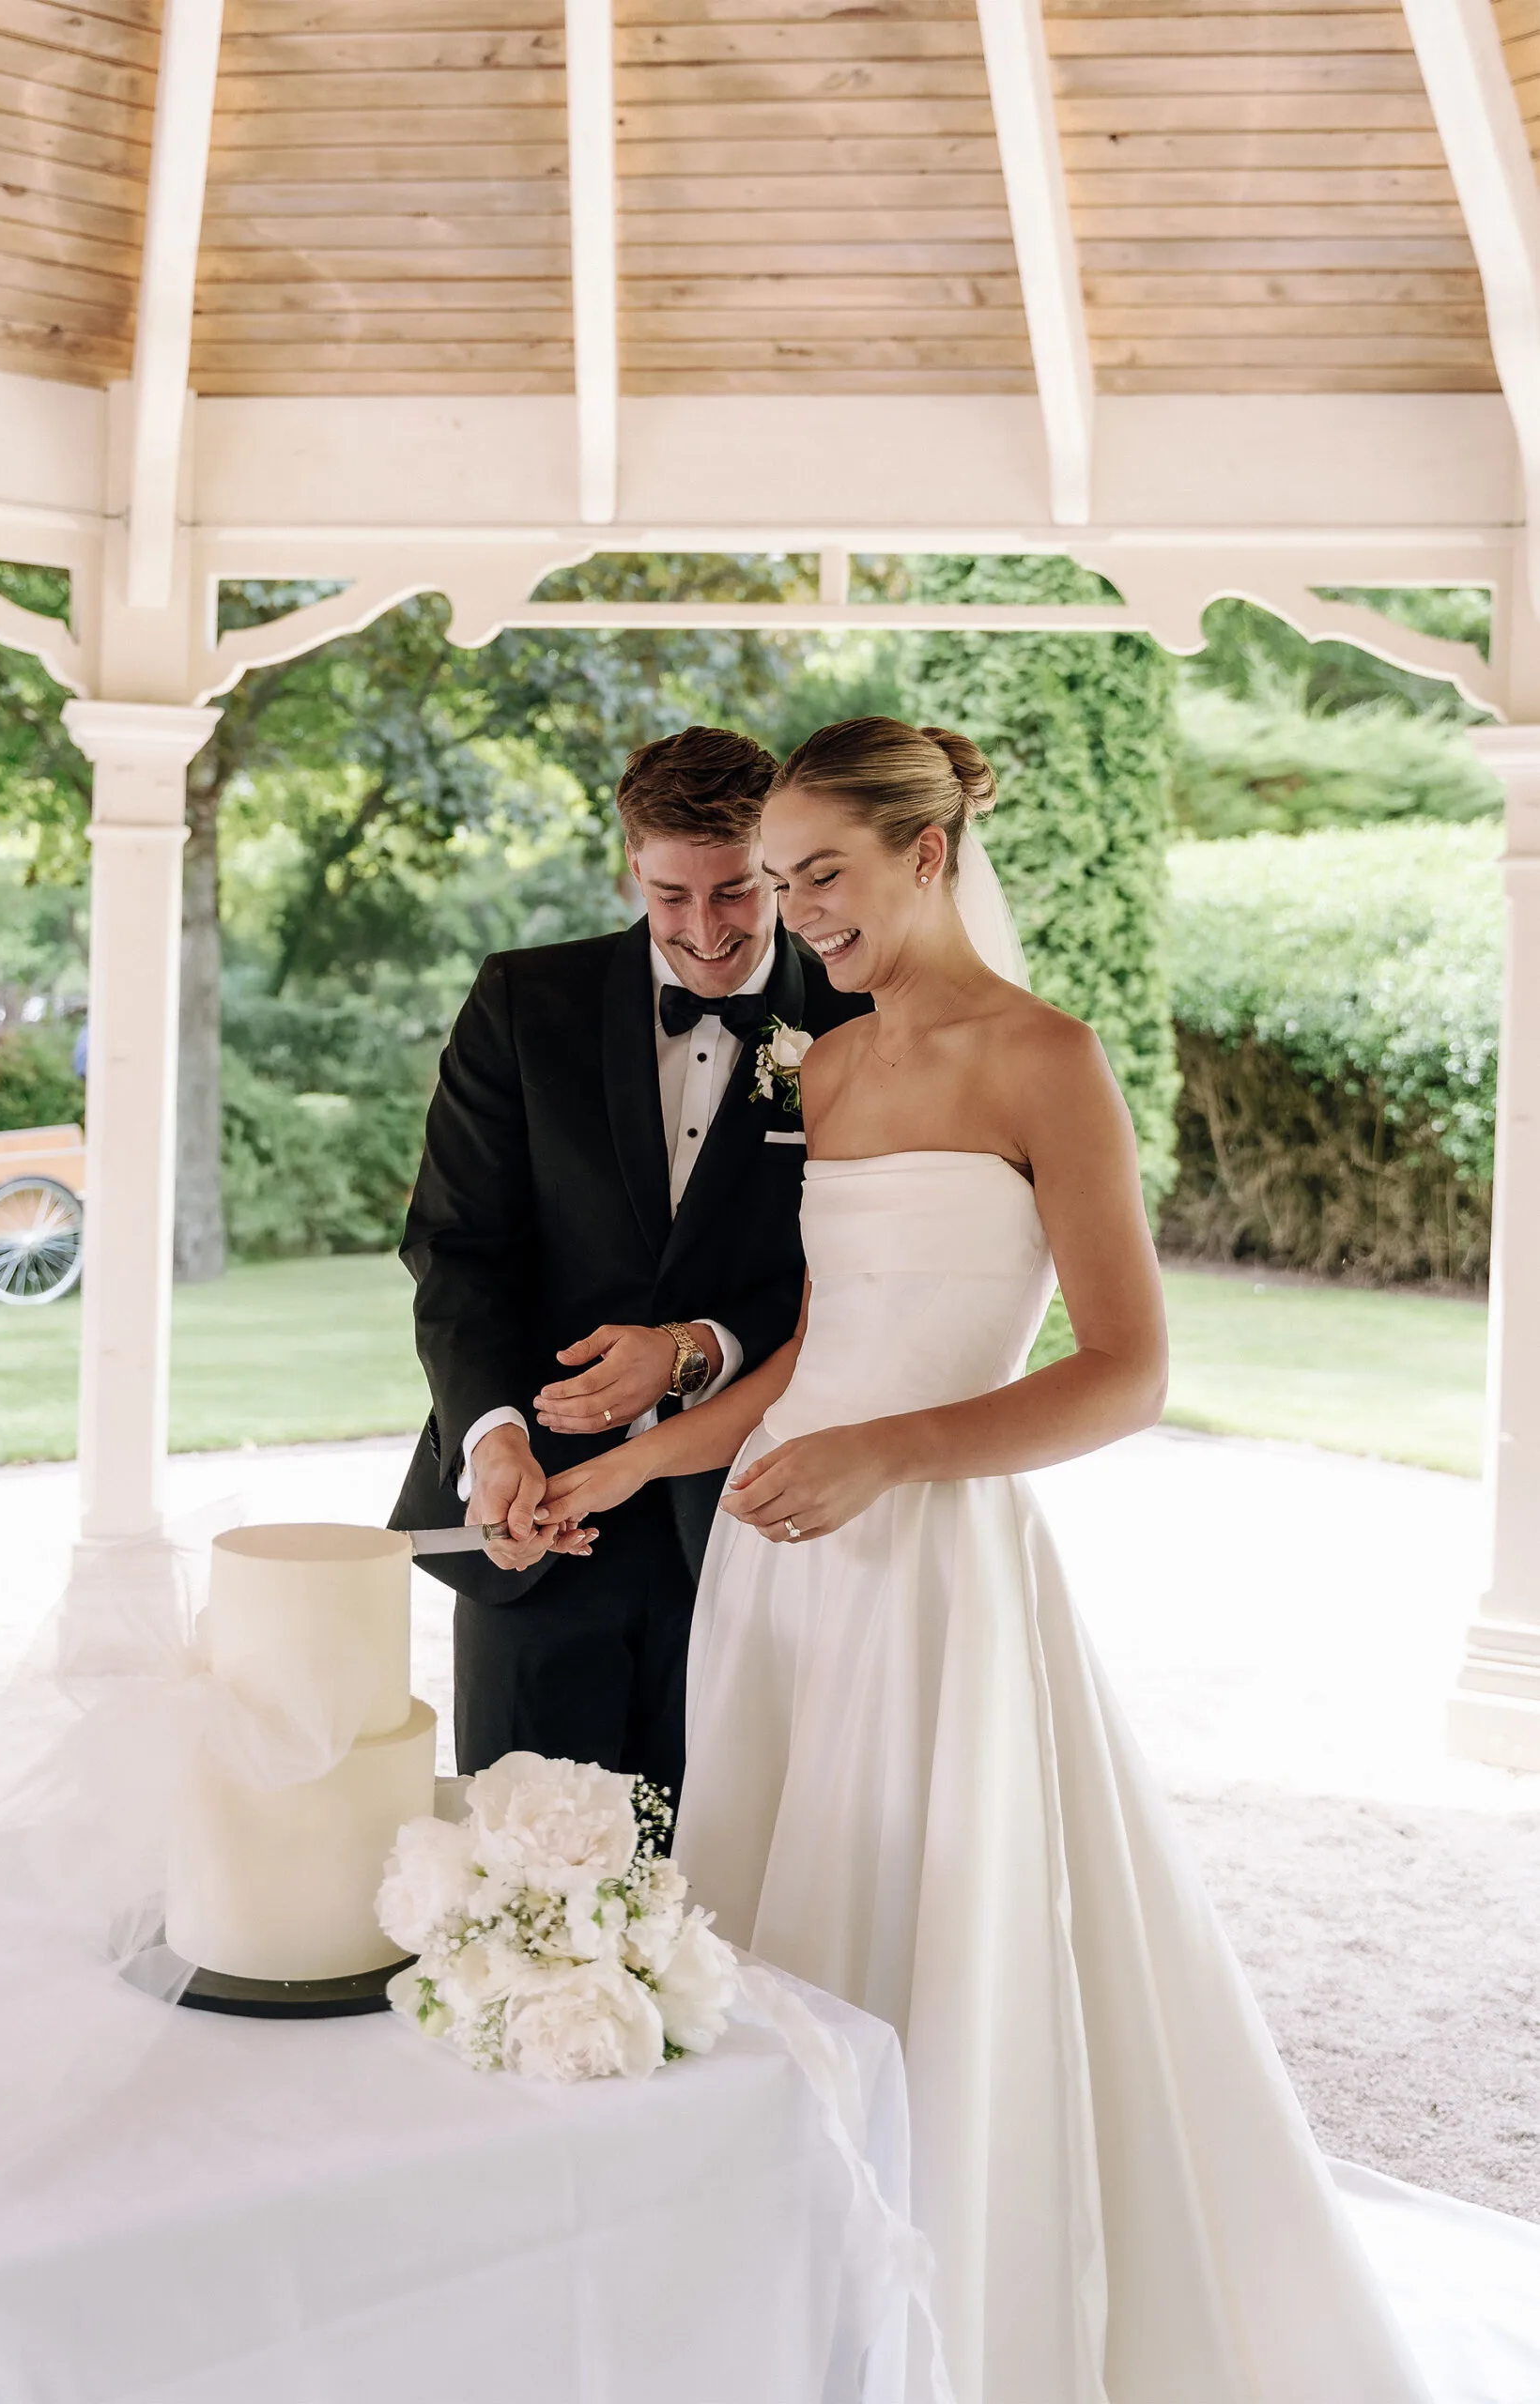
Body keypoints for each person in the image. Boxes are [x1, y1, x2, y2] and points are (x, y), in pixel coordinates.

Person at [543, 719, 1433, 2404]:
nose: (796, 916)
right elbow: (817, 1349)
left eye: (823, 877)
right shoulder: (830, 1062)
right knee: (780, 1932)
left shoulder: (1048, 1057)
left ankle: (965, 2317)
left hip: (936, 1572)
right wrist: (633, 1465)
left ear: (927, 855)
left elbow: (1126, 1370)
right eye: (779, 884)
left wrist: (889, 1456)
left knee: (943, 1939)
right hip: (783, 1574)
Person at [389, 724, 869, 1799]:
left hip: (754, 1525)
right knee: (527, 1878)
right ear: (631, 868)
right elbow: (458, 1249)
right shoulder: (523, 1002)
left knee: (726, 1886)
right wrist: (494, 1440)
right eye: (670, 896)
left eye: (739, 893)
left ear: (778, 868)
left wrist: (697, 1351)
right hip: (539, 1521)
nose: (706, 932)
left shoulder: (853, 1022)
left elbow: (858, 1274)